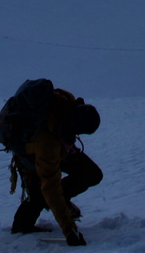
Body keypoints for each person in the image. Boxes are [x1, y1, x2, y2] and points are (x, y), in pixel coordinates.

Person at [6, 85, 102, 245]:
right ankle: (22, 226)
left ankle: (62, 202)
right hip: (32, 151)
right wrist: (70, 230)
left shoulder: (68, 102)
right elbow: (51, 187)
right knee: (43, 190)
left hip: (59, 142)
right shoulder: (47, 145)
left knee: (91, 174)